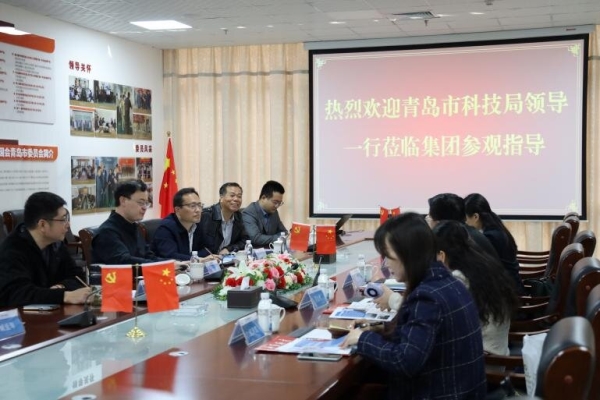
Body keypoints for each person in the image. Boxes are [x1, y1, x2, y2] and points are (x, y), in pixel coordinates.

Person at [342, 213, 486, 399]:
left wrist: (362, 339)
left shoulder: (426, 297)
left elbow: (404, 361)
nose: (386, 263)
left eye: (388, 256)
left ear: (408, 255)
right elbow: (424, 335)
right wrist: (381, 329)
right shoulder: (449, 282)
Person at [433, 220, 519, 356]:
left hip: (484, 359)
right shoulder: (483, 264)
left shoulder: (459, 279)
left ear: (442, 255)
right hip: (499, 354)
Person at [0, 192, 92, 307]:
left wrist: (60, 287)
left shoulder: (55, 244)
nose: (68, 225)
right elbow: (18, 294)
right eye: (63, 219)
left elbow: (78, 277)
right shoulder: (12, 250)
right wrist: (65, 296)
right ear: (43, 225)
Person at [464, 193, 525, 294]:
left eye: (465, 219)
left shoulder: (490, 237)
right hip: (512, 286)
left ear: (475, 216)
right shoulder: (496, 228)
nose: (465, 223)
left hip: (508, 292)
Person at [92, 179, 163, 265]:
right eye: (141, 202)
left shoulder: (135, 226)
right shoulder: (107, 232)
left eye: (146, 203)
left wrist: (171, 263)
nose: (144, 208)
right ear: (123, 201)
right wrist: (160, 266)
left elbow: (148, 256)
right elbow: (124, 261)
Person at [152, 187, 218, 262]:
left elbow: (208, 249)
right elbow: (171, 256)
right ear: (178, 210)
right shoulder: (165, 228)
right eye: (192, 206)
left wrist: (193, 257)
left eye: (199, 205)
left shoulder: (197, 224)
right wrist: (198, 259)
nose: (198, 210)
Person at [199, 182, 249, 255]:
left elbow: (245, 240)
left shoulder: (238, 216)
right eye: (232, 195)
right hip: (207, 259)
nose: (236, 199)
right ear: (221, 198)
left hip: (226, 258)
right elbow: (198, 245)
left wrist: (229, 249)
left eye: (239, 196)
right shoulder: (206, 216)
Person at [242, 180, 288, 247]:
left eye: (279, 203)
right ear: (263, 198)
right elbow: (256, 238)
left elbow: (284, 232)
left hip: (271, 250)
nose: (277, 206)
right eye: (275, 202)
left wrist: (283, 236)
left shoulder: (274, 212)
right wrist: (280, 238)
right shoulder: (249, 212)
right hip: (254, 251)